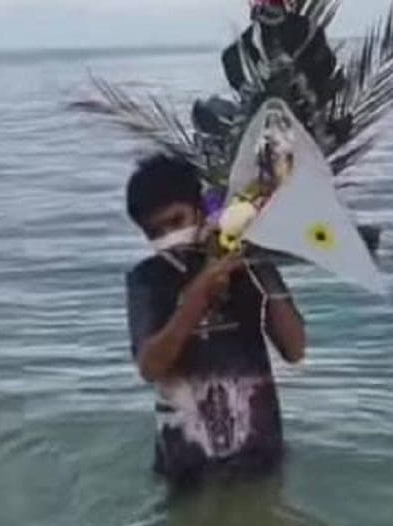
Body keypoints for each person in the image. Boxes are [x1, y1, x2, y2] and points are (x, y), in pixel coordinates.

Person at [124, 153, 307, 494]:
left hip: (259, 452)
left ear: (200, 210)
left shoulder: (248, 267)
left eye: (176, 221)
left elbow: (294, 350)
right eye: (155, 231)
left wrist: (264, 269)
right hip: (186, 462)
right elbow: (150, 367)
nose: (169, 236)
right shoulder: (149, 280)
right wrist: (196, 298)